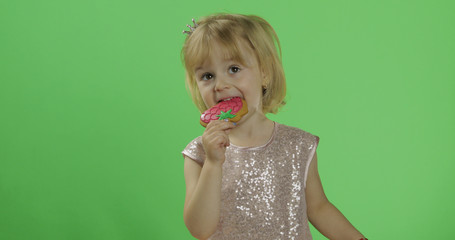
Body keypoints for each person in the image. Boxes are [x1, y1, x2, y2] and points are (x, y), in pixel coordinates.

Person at [180, 13, 367, 240]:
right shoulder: (199, 153)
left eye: (234, 69)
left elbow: (319, 208)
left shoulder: (297, 145)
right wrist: (213, 163)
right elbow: (199, 229)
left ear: (264, 74)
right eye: (207, 76)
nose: (220, 85)